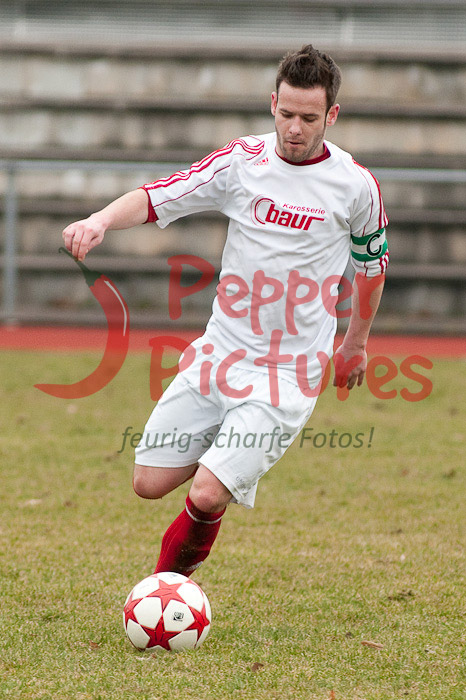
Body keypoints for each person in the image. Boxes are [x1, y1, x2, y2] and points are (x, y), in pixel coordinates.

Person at [63, 45, 388, 577]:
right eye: (286, 114)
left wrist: (355, 343)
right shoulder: (242, 162)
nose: (295, 129)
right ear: (272, 104)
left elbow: (371, 270)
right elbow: (158, 196)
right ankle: (230, 451)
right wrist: (98, 220)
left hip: (287, 373)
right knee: (147, 482)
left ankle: (167, 591)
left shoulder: (356, 186)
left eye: (309, 118)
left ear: (332, 115)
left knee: (207, 493)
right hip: (219, 354)